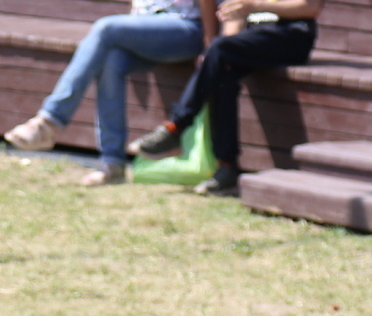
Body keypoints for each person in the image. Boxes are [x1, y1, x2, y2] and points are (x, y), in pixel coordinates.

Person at [3, 0, 216, 187]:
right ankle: (112, 163)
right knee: (110, 60)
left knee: (105, 28)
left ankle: (49, 120)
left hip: (188, 28)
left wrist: (210, 44)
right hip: (150, 30)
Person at [131, 0, 323, 197]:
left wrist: (255, 6)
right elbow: (234, 13)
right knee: (221, 68)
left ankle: (176, 126)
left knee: (221, 52)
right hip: (253, 34)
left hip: (292, 34)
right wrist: (216, 54)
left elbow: (310, 7)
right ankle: (226, 167)